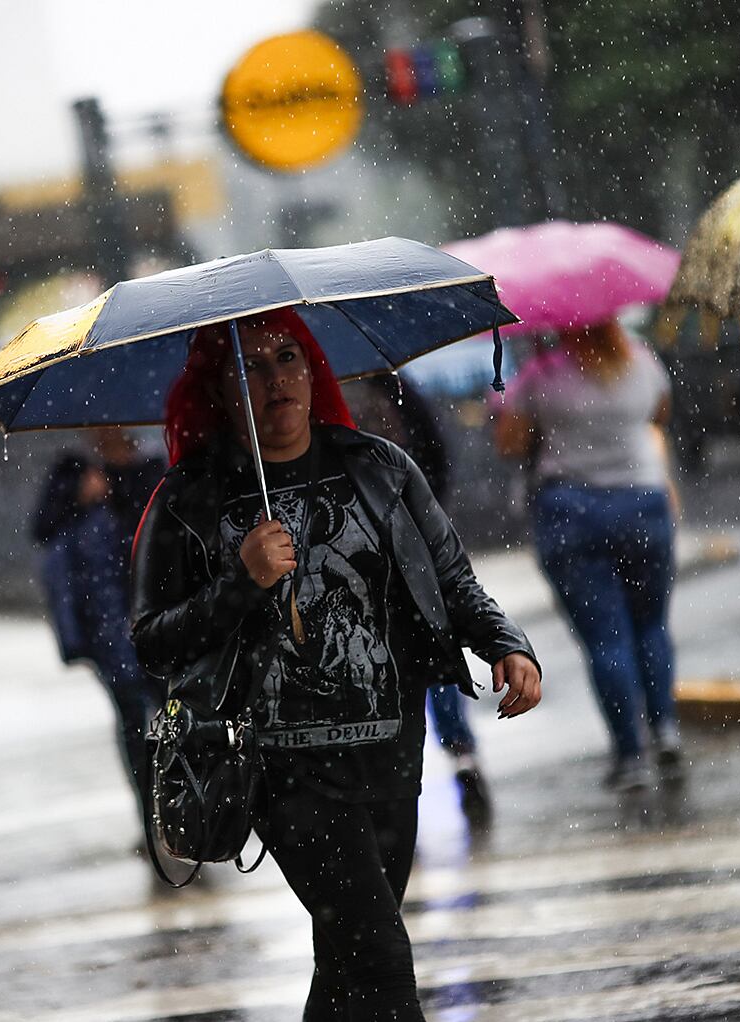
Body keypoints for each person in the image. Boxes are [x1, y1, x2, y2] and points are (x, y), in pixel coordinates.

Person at [131, 308, 542, 1020]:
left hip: (389, 751)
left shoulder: (379, 468)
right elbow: (152, 642)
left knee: (347, 958)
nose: (274, 380)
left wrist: (506, 643)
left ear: (313, 369)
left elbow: (451, 577)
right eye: (250, 367)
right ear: (221, 390)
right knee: (381, 957)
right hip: (283, 770)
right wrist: (240, 582)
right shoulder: (187, 502)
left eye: (287, 359)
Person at [494, 321, 682, 792]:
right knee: (651, 627)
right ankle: (664, 729)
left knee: (606, 639)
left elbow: (510, 443)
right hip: (642, 500)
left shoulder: (542, 375)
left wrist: (524, 407)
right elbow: (660, 413)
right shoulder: (641, 361)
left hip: (571, 512)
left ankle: (631, 755)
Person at [343, 373, 492, 826]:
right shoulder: (389, 381)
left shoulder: (317, 395)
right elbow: (433, 456)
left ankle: (395, 778)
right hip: (404, 544)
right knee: (430, 647)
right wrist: (422, 519)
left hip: (357, 551)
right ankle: (459, 757)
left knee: (374, 661)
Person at [33, 429, 163, 843]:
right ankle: (150, 813)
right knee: (131, 721)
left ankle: (191, 802)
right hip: (107, 627)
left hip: (160, 617)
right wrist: (78, 494)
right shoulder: (72, 473)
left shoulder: (153, 470)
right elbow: (41, 528)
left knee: (177, 714)